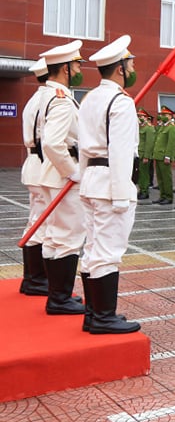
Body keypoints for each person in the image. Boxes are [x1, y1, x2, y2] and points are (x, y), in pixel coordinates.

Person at [76, 35, 141, 334]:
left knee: (92, 249)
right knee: (108, 252)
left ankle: (93, 314)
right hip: (110, 185)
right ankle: (103, 317)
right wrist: (121, 194)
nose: (132, 68)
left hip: (92, 181)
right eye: (130, 64)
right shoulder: (120, 102)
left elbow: (81, 147)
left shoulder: (90, 98)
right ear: (119, 70)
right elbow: (120, 151)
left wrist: (81, 180)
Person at [37, 40, 86, 315]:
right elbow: (53, 143)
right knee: (69, 237)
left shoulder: (49, 94)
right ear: (66, 69)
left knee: (55, 237)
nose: (79, 69)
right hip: (62, 177)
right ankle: (60, 298)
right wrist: (72, 171)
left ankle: (57, 295)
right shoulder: (61, 100)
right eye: (77, 64)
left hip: (51, 175)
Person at [19, 58, 53, 296]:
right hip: (42, 164)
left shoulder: (34, 99)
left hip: (34, 162)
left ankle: (33, 278)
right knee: (42, 222)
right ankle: (36, 279)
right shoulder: (46, 100)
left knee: (36, 219)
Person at [136, 109, 155, 201]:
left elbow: (149, 143)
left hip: (144, 154)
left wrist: (146, 156)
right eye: (139, 116)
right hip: (139, 153)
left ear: (147, 118)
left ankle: (145, 191)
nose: (139, 118)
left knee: (144, 174)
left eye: (141, 116)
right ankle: (142, 190)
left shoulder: (149, 128)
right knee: (140, 174)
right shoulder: (141, 127)